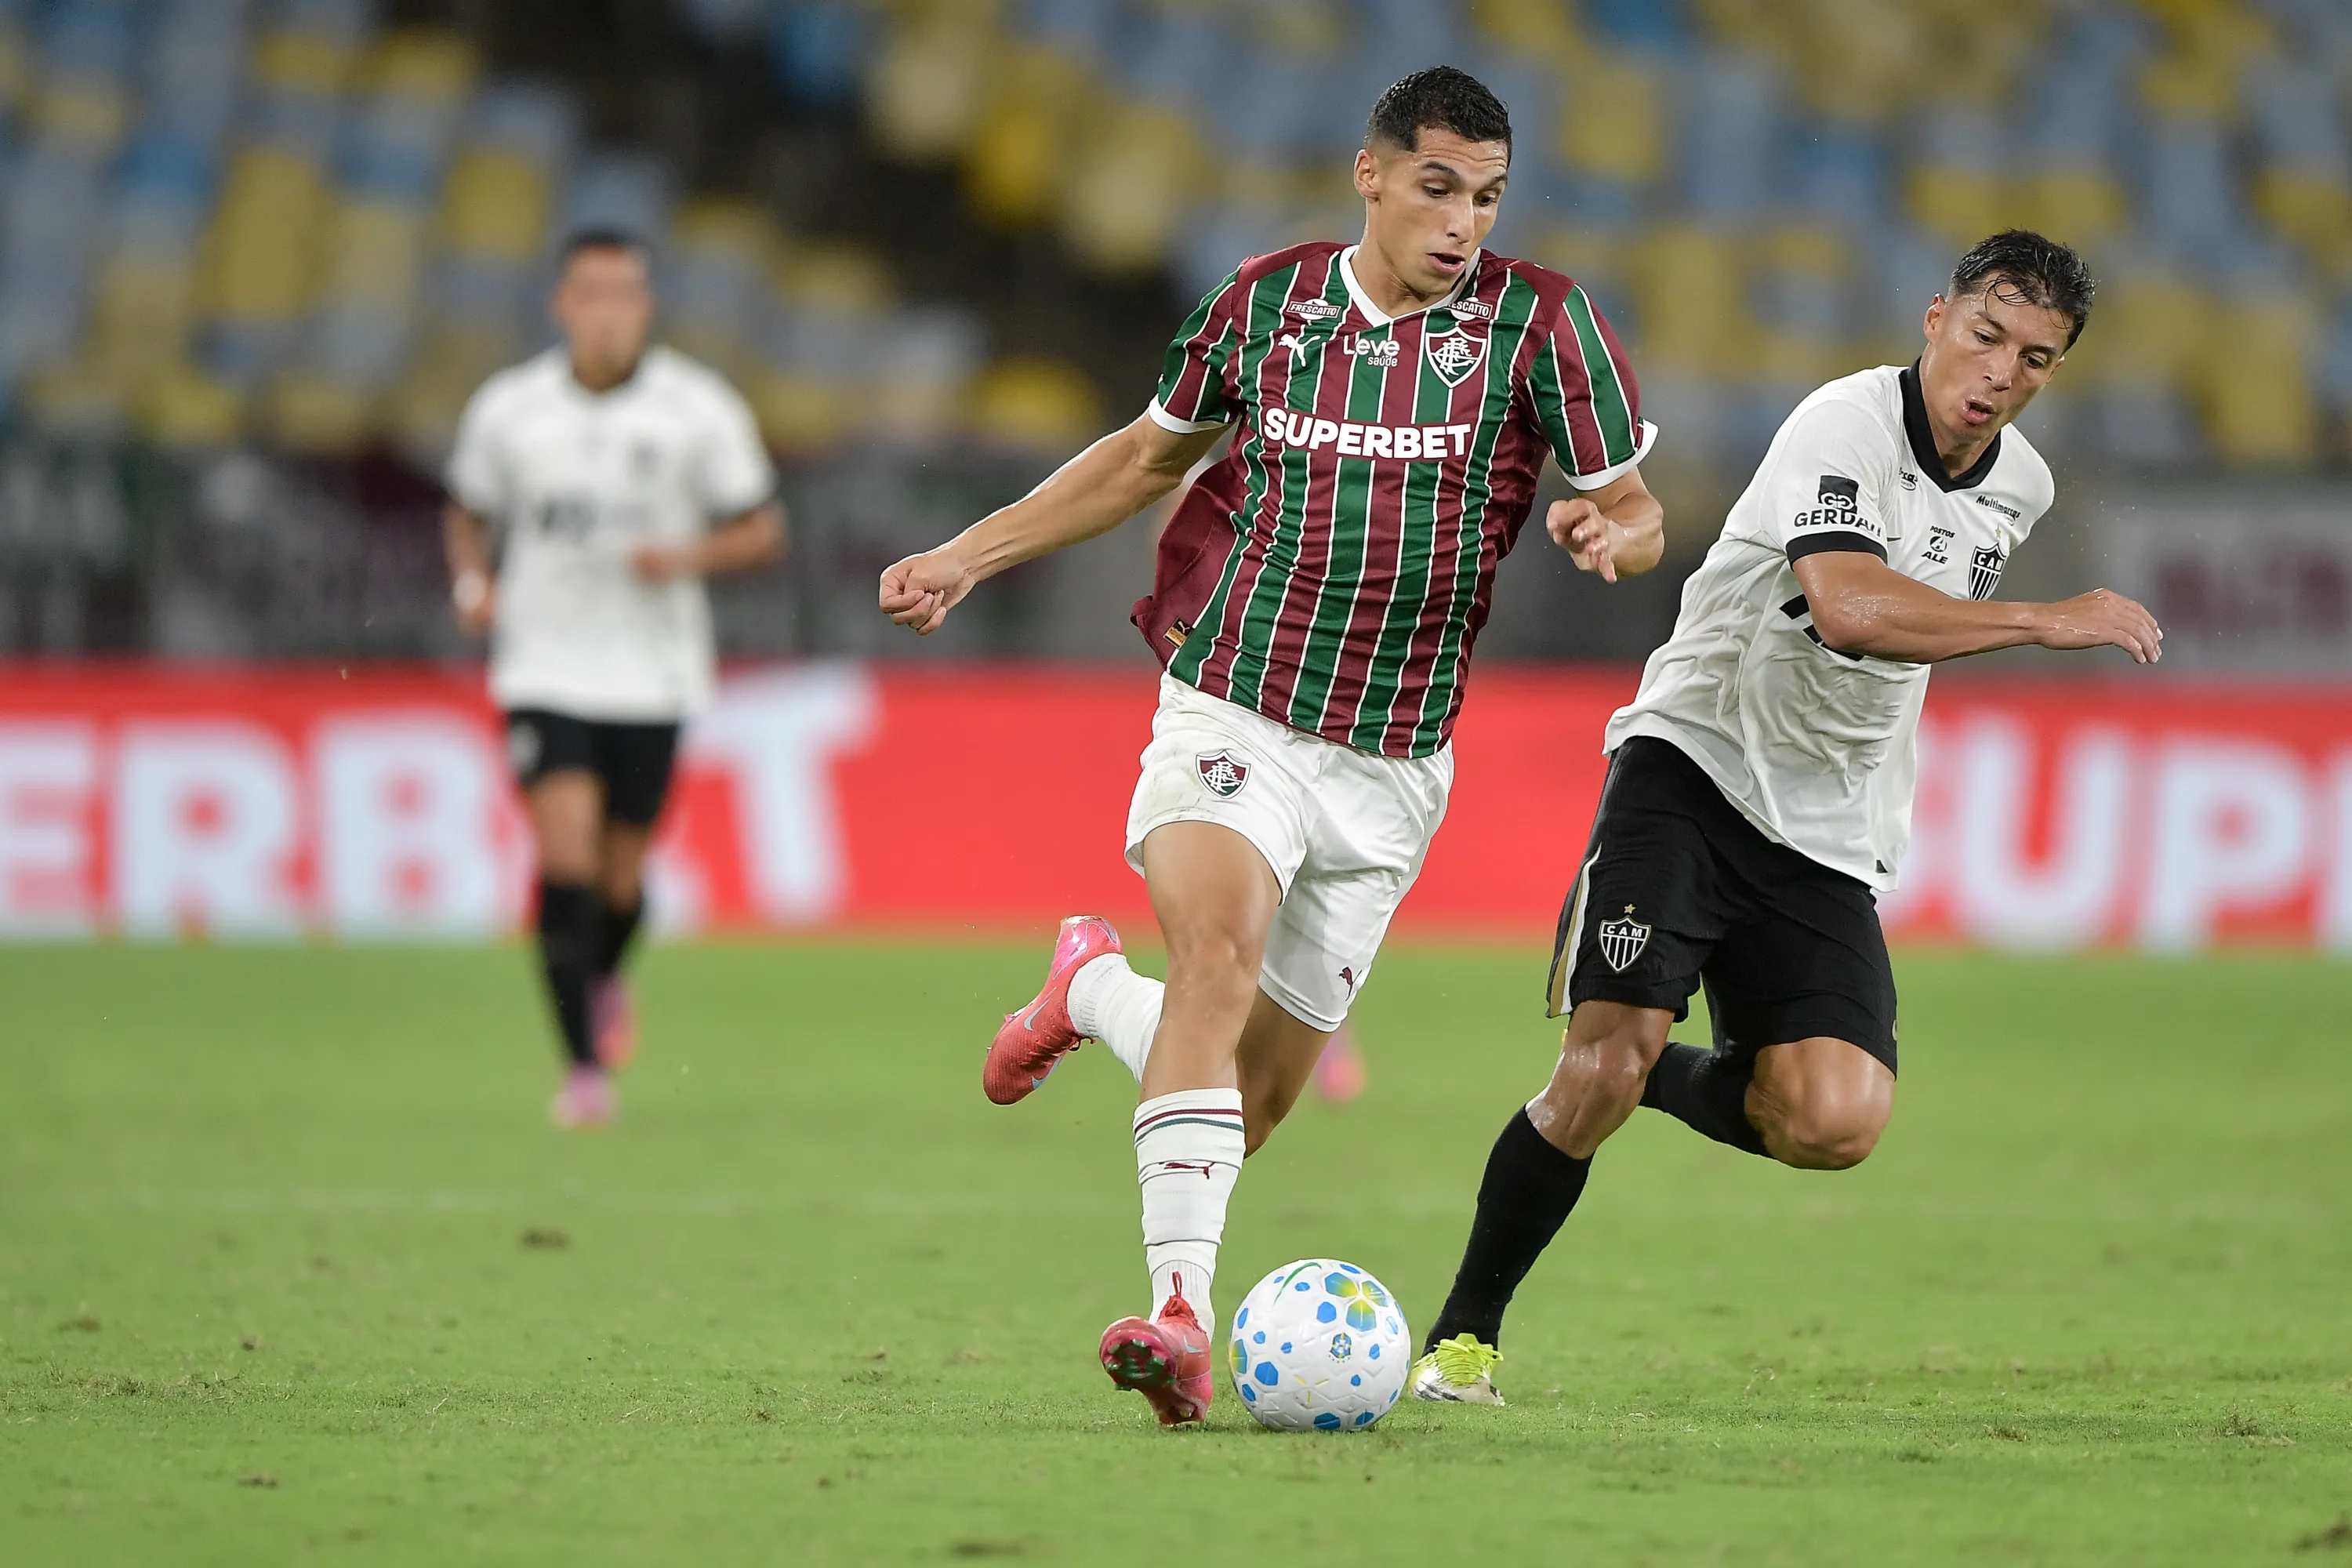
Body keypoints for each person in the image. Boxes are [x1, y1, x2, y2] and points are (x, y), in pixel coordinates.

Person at [878, 67, 1665, 1425]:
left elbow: (1640, 506)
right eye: (1435, 188)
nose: (1462, 224)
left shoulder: (1546, 325)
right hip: (1238, 703)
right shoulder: (1265, 305)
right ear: (1370, 175)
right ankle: (1180, 1313)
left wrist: (1615, 532)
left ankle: (1085, 993)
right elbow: (1142, 461)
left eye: (1485, 197)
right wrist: (968, 552)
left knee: (1250, 1095)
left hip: (1397, 765)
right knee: (1218, 953)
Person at [1410, 230, 2163, 1405]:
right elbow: (1851, 605)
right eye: (1985, 335)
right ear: (1934, 319)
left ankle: (1656, 1069)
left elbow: (1900, 627)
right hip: (1694, 763)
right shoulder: (1842, 425)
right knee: (1595, 1068)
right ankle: (1463, 1340)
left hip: (1826, 821)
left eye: (2037, 358)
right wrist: (2042, 620)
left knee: (1836, 1119)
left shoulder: (2022, 485)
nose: (2002, 373)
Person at [443, 228, 786, 1129]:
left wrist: (683, 555)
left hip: (654, 672)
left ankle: (597, 978)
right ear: (561, 304)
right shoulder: (510, 409)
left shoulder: (697, 409)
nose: (605, 310)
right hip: (544, 665)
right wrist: (474, 581)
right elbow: (467, 512)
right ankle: (584, 1072)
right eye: (588, 292)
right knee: (564, 855)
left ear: (646, 305)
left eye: (622, 292)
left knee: (622, 879)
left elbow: (760, 528)